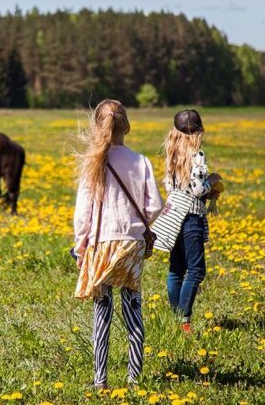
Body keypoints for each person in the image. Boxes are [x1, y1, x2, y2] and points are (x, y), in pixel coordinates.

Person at [73, 99, 163, 389]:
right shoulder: (142, 162)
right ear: (127, 125)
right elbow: (155, 207)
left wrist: (80, 247)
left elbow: (82, 213)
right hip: (132, 244)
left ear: (99, 126)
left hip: (101, 243)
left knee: (103, 311)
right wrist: (138, 224)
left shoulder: (95, 162)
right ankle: (134, 379)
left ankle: (100, 380)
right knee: (133, 308)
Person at [151, 109, 221, 333]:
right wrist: (212, 182)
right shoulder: (197, 155)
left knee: (176, 269)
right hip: (191, 218)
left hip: (173, 216)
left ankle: (176, 318)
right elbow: (199, 189)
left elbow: (169, 187)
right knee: (196, 270)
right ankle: (184, 319)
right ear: (198, 132)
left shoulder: (172, 155)